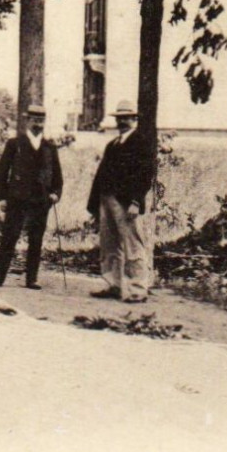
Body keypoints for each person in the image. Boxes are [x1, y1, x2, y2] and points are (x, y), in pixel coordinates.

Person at [0, 104, 63, 290]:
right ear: (27, 120)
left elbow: (57, 175)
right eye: (34, 119)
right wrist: (2, 197)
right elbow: (1, 171)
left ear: (45, 122)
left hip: (41, 200)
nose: (38, 123)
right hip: (17, 199)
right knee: (9, 237)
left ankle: (31, 279)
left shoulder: (50, 146)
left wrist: (55, 194)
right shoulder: (15, 144)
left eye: (41, 119)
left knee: (36, 240)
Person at [86, 100, 155, 302]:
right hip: (106, 199)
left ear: (134, 119)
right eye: (120, 118)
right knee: (109, 245)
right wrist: (95, 204)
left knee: (133, 245)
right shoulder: (113, 145)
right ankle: (113, 285)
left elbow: (145, 174)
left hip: (126, 202)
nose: (122, 121)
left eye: (127, 118)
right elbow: (101, 175)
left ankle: (138, 289)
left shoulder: (141, 142)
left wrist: (136, 201)